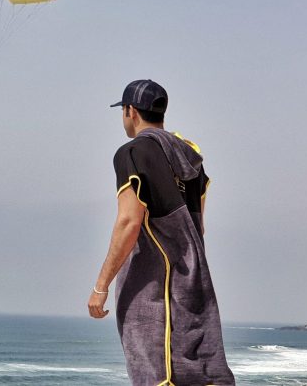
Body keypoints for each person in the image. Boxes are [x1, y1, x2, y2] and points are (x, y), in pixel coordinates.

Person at [87, 79, 235, 385]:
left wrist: (101, 287)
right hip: (193, 284)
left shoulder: (133, 152)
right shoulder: (191, 161)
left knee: (155, 372)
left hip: (155, 289)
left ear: (130, 111)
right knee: (193, 373)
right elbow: (199, 228)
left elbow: (129, 222)